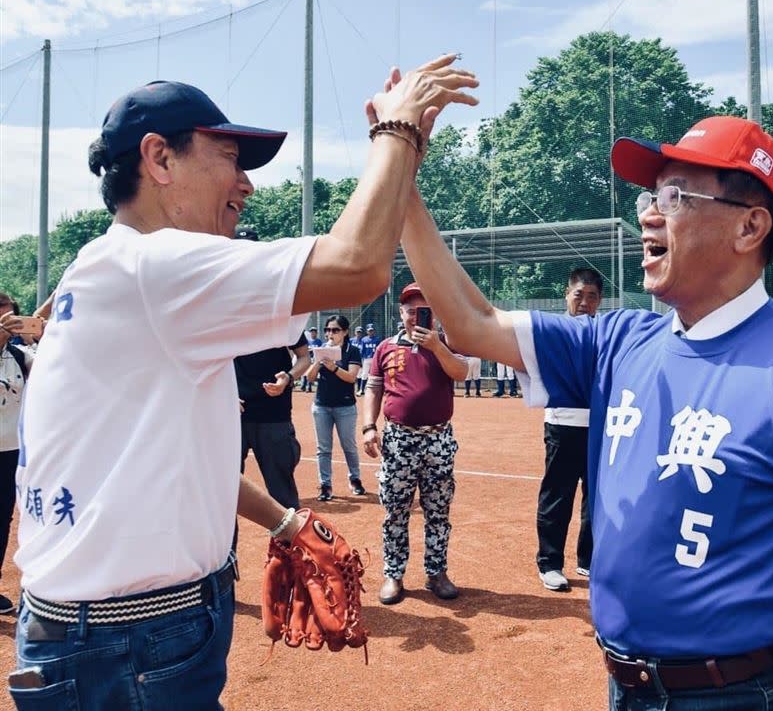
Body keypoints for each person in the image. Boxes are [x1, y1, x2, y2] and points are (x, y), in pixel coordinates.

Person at [11, 57, 479, 709]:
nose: (247, 183)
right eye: (230, 157)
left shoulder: (104, 267)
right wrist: (397, 131)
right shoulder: (154, 265)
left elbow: (163, 458)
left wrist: (285, 520)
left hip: (104, 635)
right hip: (127, 645)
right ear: (159, 159)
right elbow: (358, 266)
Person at [400, 113, 773, 709]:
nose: (647, 213)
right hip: (623, 684)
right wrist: (400, 177)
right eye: (649, 194)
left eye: (675, 195)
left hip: (745, 693)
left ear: (749, 227)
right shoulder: (617, 339)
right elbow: (472, 323)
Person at [362, 282, 468, 605]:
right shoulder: (385, 348)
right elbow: (373, 389)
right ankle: (393, 574)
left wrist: (437, 346)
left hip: (437, 437)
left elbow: (461, 373)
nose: (415, 316)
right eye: (410, 310)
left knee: (438, 508)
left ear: (433, 314)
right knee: (395, 509)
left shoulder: (447, 343)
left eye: (423, 311)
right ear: (401, 313)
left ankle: (436, 573)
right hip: (398, 439)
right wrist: (369, 426)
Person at [233, 227, 311, 510]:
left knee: (283, 496)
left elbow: (304, 357)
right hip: (231, 414)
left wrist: (288, 377)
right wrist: (223, 393)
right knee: (224, 495)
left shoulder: (278, 306)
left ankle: (290, 552)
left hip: (274, 415)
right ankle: (226, 555)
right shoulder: (222, 305)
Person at [536, 267, 602, 591]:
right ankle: (549, 563)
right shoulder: (554, 331)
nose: (585, 302)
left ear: (599, 301)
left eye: (592, 297)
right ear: (567, 294)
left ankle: (588, 559)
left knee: (596, 497)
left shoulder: (604, 334)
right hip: (562, 425)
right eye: (579, 295)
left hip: (599, 427)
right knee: (558, 495)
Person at [0, 293, 34, 615]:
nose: (8, 325)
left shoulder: (22, 355)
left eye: (13, 319)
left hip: (10, 452)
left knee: (1, 520)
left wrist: (47, 336)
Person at [307, 315, 365, 501]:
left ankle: (355, 479)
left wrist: (333, 368)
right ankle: (325, 485)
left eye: (335, 330)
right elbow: (309, 377)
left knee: (348, 445)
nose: (330, 334)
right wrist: (319, 358)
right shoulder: (320, 350)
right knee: (323, 448)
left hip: (345, 406)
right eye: (328, 330)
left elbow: (351, 377)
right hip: (322, 405)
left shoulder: (352, 350)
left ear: (345, 332)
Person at [356, 322, 379, 396]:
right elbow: (362, 351)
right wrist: (361, 360)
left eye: (372, 330)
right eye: (369, 330)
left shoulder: (377, 339)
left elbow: (379, 350)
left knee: (374, 375)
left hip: (374, 359)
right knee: (364, 374)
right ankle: (362, 390)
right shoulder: (364, 339)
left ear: (374, 331)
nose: (370, 332)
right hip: (366, 359)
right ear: (366, 331)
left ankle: (374, 390)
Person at [300, 326, 323, 392]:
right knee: (304, 372)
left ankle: (308, 387)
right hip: (308, 358)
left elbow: (320, 350)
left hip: (315, 359)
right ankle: (303, 386)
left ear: (316, 333)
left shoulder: (319, 341)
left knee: (310, 372)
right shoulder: (307, 341)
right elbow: (305, 349)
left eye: (314, 332)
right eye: (312, 332)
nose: (313, 333)